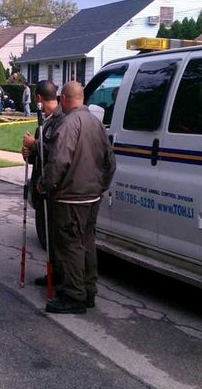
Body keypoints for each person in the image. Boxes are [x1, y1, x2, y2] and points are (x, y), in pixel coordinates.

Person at [40, 81, 116, 314]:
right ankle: (88, 289)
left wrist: (46, 184)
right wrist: (100, 187)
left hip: (70, 197)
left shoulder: (68, 124)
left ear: (63, 98)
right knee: (87, 243)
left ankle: (74, 295)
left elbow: (59, 161)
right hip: (92, 196)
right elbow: (110, 162)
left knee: (70, 246)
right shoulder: (96, 123)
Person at [22, 80, 64, 286]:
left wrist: (35, 144)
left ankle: (61, 278)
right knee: (48, 240)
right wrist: (29, 153)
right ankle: (53, 273)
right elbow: (37, 157)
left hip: (54, 189)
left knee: (57, 238)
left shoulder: (62, 120)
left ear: (38, 98)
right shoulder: (44, 123)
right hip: (41, 187)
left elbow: (58, 151)